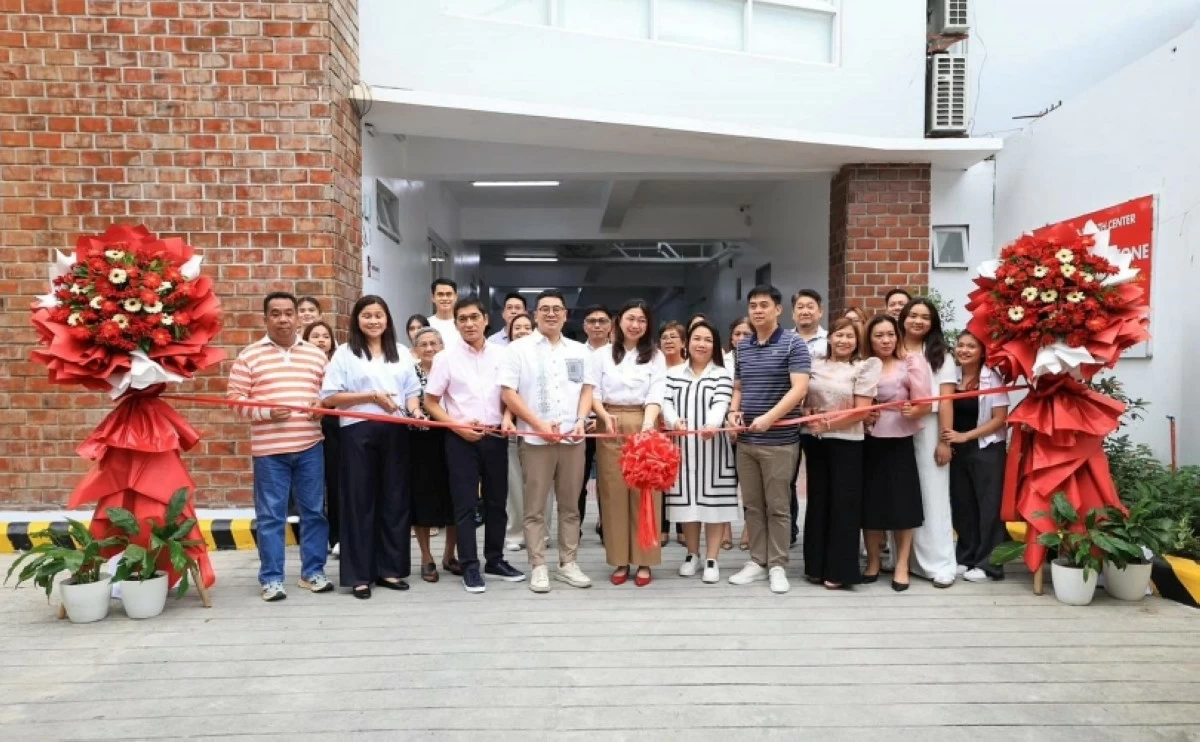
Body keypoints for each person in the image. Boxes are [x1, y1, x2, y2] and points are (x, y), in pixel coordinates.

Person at [227, 292, 332, 602]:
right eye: (276, 313)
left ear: (298, 317)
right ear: (266, 318)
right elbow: (234, 400)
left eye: (289, 313)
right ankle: (272, 578)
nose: (284, 319)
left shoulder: (315, 354)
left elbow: (328, 394)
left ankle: (313, 572)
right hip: (269, 451)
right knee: (271, 516)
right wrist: (265, 412)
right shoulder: (249, 355)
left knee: (314, 512)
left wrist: (320, 406)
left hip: (310, 445)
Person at [320, 295, 424, 599]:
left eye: (379, 315)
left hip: (396, 432)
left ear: (387, 319)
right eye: (367, 315)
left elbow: (411, 393)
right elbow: (330, 397)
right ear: (357, 319)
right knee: (359, 502)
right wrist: (370, 397)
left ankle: (390, 570)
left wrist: (415, 413)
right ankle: (359, 575)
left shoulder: (401, 352)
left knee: (394, 500)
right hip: (357, 432)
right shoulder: (344, 353)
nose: (374, 321)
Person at [425, 297, 526, 593]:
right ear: (455, 325)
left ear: (486, 320)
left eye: (473, 318)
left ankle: (495, 559)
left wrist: (508, 418)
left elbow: (511, 394)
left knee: (497, 501)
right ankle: (470, 565)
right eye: (462, 319)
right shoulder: (445, 358)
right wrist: (457, 426)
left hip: (495, 437)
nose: (468, 324)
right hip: (460, 440)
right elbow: (431, 401)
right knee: (466, 504)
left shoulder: (503, 354)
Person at [499, 290, 595, 593]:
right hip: (535, 440)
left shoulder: (580, 351)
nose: (551, 314)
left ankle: (568, 563)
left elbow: (586, 390)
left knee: (570, 506)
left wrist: (580, 419)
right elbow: (508, 393)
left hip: (572, 439)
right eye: (544, 309)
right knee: (535, 507)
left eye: (557, 309)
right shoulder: (518, 349)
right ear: (535, 315)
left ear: (566, 314)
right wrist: (538, 425)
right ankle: (538, 565)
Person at [726, 285, 811, 594]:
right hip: (746, 442)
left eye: (764, 305)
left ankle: (777, 564)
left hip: (780, 441)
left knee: (777, 506)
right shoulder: (743, 346)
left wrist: (770, 417)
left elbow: (799, 389)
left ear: (778, 310)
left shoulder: (793, 344)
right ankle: (757, 561)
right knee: (752, 505)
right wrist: (734, 413)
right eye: (753, 305)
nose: (758, 310)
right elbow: (738, 387)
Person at [592, 299, 668, 587]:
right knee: (613, 493)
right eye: (630, 318)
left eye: (642, 319)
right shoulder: (601, 355)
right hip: (609, 421)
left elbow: (656, 391)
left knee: (644, 492)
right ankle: (620, 559)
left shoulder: (655, 356)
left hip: (644, 420)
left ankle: (645, 560)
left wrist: (649, 424)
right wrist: (602, 415)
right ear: (618, 321)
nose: (635, 324)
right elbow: (594, 392)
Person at [801, 317, 881, 589]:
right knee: (818, 503)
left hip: (847, 442)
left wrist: (826, 423)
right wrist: (807, 415)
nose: (843, 340)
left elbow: (862, 411)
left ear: (857, 340)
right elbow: (804, 398)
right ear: (830, 337)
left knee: (843, 506)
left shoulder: (864, 367)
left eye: (849, 336)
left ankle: (839, 570)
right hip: (816, 442)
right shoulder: (815, 364)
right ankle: (815, 566)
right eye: (839, 335)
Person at [663, 321, 738, 584]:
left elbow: (721, 402)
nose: (701, 344)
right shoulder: (672, 373)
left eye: (708, 339)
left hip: (713, 448)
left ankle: (712, 558)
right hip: (681, 448)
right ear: (687, 342)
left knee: (713, 503)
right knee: (687, 504)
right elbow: (666, 402)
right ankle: (692, 554)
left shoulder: (722, 374)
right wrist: (674, 422)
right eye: (696, 338)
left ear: (714, 345)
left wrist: (712, 425)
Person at [862, 315, 931, 592]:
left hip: (899, 439)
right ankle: (874, 561)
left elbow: (924, 403)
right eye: (879, 335)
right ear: (870, 338)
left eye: (890, 334)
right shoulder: (865, 365)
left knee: (904, 504)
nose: (886, 340)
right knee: (870, 504)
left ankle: (901, 564)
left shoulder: (911, 363)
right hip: (869, 440)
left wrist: (912, 410)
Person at [899, 298, 958, 589]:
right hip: (894, 426)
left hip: (930, 427)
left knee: (933, 496)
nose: (918, 321)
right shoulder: (892, 347)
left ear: (933, 322)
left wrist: (944, 440)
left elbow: (946, 400)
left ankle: (941, 563)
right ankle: (903, 560)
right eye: (913, 315)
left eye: (925, 317)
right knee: (900, 494)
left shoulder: (940, 355)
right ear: (903, 318)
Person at [943, 331, 1010, 582]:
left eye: (971, 346)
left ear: (982, 351)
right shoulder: (953, 377)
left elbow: (1000, 419)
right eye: (960, 345)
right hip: (959, 449)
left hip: (986, 448)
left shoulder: (992, 377)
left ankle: (989, 563)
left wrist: (965, 436)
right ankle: (966, 555)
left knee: (988, 507)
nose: (964, 350)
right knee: (962, 504)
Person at [408, 327, 458, 583]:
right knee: (422, 499)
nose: (429, 348)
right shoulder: (410, 371)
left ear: (442, 346)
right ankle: (426, 557)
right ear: (415, 349)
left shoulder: (452, 366)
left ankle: (450, 555)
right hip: (420, 441)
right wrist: (416, 412)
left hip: (452, 437)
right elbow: (410, 399)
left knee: (454, 497)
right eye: (423, 344)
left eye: (434, 344)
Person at [500, 313, 552, 551]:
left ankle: (544, 532)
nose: (521, 330)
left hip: (542, 431)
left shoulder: (544, 355)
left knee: (543, 486)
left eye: (526, 327)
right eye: (516, 327)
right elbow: (505, 393)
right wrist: (508, 417)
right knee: (515, 486)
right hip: (514, 432)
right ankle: (515, 534)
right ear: (508, 332)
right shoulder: (503, 356)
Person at [788, 289, 830, 547]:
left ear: (820, 311)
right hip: (789, 420)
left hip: (821, 420)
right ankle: (789, 532)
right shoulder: (783, 340)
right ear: (792, 313)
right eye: (800, 306)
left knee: (819, 479)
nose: (805, 311)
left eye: (810, 306)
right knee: (786, 480)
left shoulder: (831, 341)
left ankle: (818, 533)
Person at [302, 321, 340, 558]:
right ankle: (317, 539)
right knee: (313, 490)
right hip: (307, 431)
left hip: (334, 430)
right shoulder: (301, 365)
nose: (321, 340)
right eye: (315, 336)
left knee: (335, 485)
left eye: (326, 336)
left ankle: (337, 536)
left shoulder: (338, 364)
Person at [580, 305, 612, 543]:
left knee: (609, 480)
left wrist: (600, 419)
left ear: (611, 325)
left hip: (609, 424)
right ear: (584, 326)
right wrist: (583, 419)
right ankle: (575, 529)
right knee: (577, 481)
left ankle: (608, 527)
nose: (597, 325)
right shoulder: (574, 353)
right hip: (580, 426)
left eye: (602, 321)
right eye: (592, 321)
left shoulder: (618, 355)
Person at [656, 320, 688, 545]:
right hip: (658, 430)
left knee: (681, 479)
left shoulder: (689, 368)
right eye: (665, 337)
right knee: (659, 478)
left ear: (683, 343)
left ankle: (683, 526)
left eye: (673, 337)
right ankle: (662, 526)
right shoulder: (653, 366)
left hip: (683, 430)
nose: (668, 341)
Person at [724, 316, 754, 552]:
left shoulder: (757, 357)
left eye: (747, 334)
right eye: (737, 334)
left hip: (752, 427)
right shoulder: (721, 361)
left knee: (749, 483)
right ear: (731, 338)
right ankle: (724, 530)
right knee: (726, 481)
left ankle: (749, 529)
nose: (742, 338)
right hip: (722, 427)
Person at [428, 278, 461, 346]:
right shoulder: (426, 324)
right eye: (440, 294)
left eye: (449, 294)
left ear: (456, 297)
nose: (445, 298)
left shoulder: (463, 323)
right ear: (433, 297)